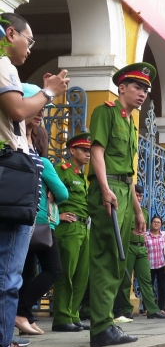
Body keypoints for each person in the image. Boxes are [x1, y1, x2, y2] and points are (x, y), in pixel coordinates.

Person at [0, 12, 69, 347]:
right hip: (14, 192)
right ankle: (2, 342)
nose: (30, 47)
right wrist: (47, 91)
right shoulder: (4, 66)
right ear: (10, 33)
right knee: (10, 271)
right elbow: (17, 107)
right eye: (29, 39)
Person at [87, 62, 157, 347]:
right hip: (109, 188)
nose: (142, 93)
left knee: (120, 257)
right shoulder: (106, 112)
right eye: (137, 87)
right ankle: (101, 327)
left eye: (145, 89)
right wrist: (104, 188)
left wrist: (139, 211)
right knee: (106, 254)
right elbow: (97, 151)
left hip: (125, 192)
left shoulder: (129, 121)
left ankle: (106, 321)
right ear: (122, 88)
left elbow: (130, 171)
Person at [17, 100, 68, 335]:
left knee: (27, 272)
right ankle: (22, 310)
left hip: (23, 219)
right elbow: (63, 193)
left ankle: (25, 317)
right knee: (53, 270)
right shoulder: (44, 163)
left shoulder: (22, 158)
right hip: (41, 224)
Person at [51, 131, 91, 331]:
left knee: (81, 274)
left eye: (89, 151)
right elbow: (48, 196)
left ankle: (73, 314)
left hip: (84, 227)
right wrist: (57, 217)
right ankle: (61, 317)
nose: (88, 154)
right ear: (72, 150)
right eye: (83, 150)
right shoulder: (62, 170)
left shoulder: (81, 175)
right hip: (68, 228)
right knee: (66, 273)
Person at [114, 184, 165, 321]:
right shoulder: (125, 208)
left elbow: (146, 231)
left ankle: (152, 309)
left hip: (142, 248)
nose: (138, 198)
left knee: (146, 279)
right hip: (128, 246)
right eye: (136, 195)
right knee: (126, 280)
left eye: (140, 196)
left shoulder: (143, 212)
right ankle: (126, 310)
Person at [146, 216, 165, 315]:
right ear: (151, 223)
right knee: (148, 287)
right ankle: (147, 308)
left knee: (162, 287)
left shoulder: (164, 235)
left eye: (158, 222)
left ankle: (161, 308)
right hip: (149, 264)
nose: (156, 224)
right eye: (154, 222)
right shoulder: (146, 235)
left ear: (161, 224)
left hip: (162, 264)